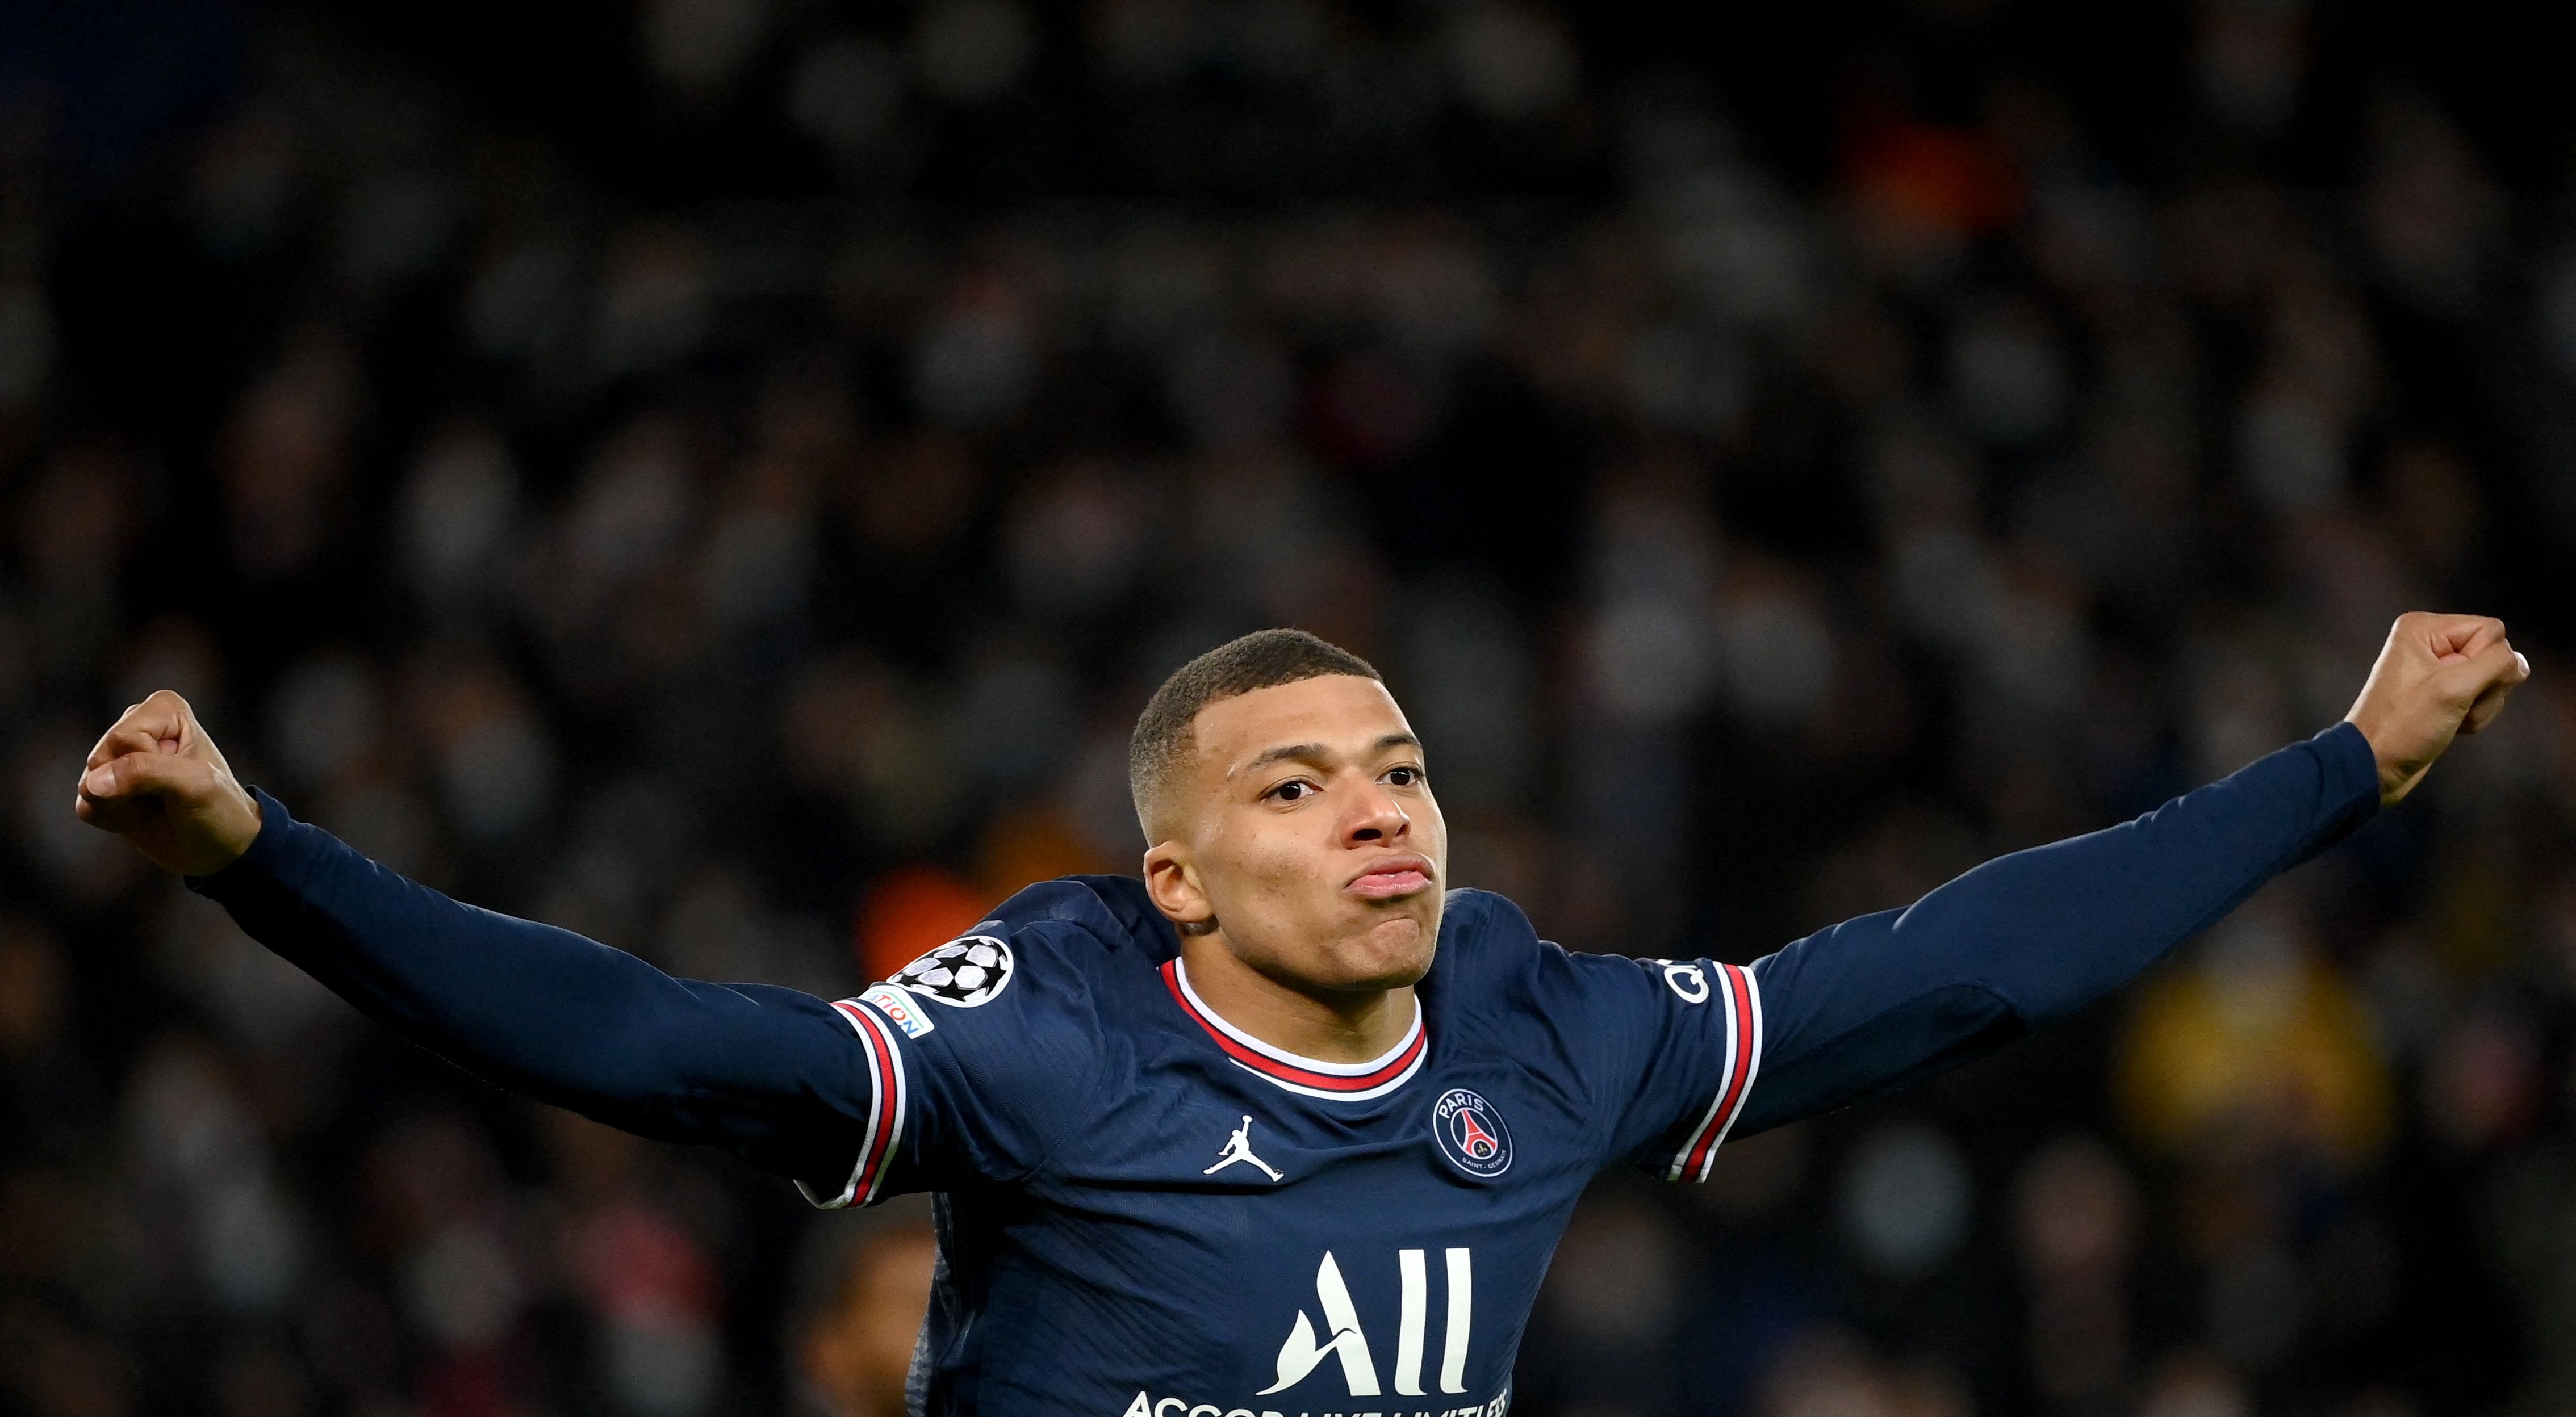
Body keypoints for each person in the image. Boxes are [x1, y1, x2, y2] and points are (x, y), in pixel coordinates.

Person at [74, 614, 2527, 1416]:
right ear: (1177, 872)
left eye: (1406, 767)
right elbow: (659, 1051)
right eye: (1299, 783)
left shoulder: (1534, 1023)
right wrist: (263, 866)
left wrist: (2345, 772)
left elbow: (1960, 972)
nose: (1387, 816)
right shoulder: (1050, 1020)